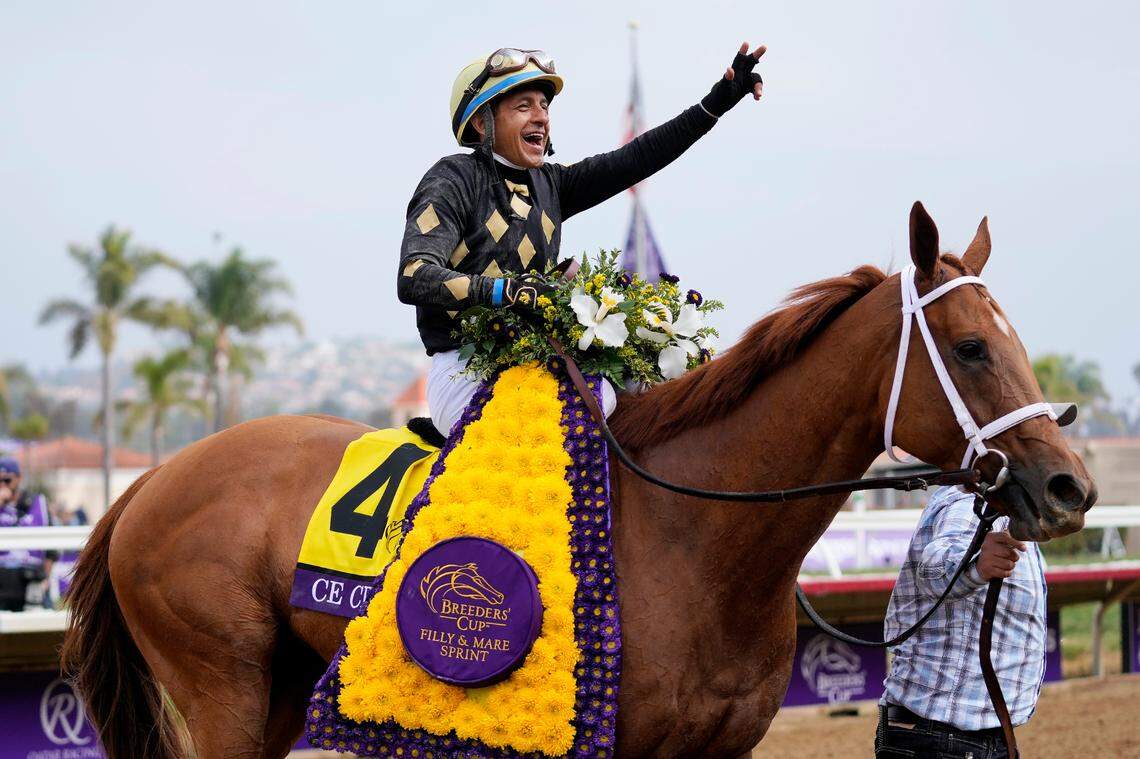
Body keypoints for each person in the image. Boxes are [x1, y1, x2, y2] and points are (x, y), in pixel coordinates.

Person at [397, 43, 766, 436]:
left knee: (650, 396)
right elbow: (414, 275)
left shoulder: (552, 183)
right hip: (463, 370)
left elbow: (639, 157)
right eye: (524, 106)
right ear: (481, 124)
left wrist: (714, 105)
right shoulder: (452, 179)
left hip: (538, 360)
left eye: (544, 105)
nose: (541, 116)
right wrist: (506, 291)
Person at [876, 486, 1047, 759]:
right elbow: (933, 567)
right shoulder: (974, 503)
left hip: (950, 737)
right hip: (948, 739)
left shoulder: (998, 508)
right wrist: (977, 567)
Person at [0, 457, 52, 612]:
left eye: (7, 480)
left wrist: (46, 579)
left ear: (19, 478)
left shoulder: (38, 502)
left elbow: (52, 548)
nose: (3, 485)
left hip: (32, 576)